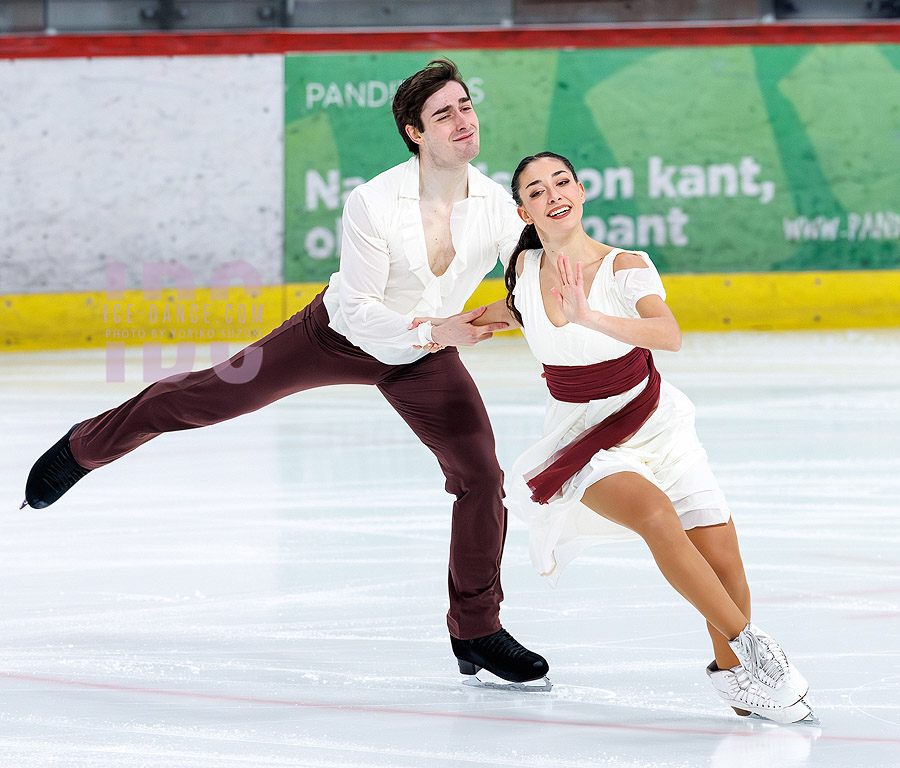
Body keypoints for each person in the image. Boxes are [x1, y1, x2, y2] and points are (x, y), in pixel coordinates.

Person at [21, 59, 550, 689]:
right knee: (206, 397)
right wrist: (440, 329)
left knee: (480, 476)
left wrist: (541, 288)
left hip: (423, 358)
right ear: (415, 131)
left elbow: (528, 267)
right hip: (336, 337)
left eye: (466, 106)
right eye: (445, 114)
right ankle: (86, 446)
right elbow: (358, 310)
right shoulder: (373, 203)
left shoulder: (494, 204)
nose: (464, 121)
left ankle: (477, 630)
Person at [414, 151, 816, 722]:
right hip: (583, 437)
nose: (552, 195)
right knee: (655, 517)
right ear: (523, 211)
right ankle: (755, 646)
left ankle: (736, 681)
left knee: (723, 555)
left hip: (654, 422)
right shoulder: (524, 272)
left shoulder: (626, 266)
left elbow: (667, 334)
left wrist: (589, 317)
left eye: (560, 183)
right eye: (535, 190)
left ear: (581, 192)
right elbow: (506, 313)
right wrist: (440, 331)